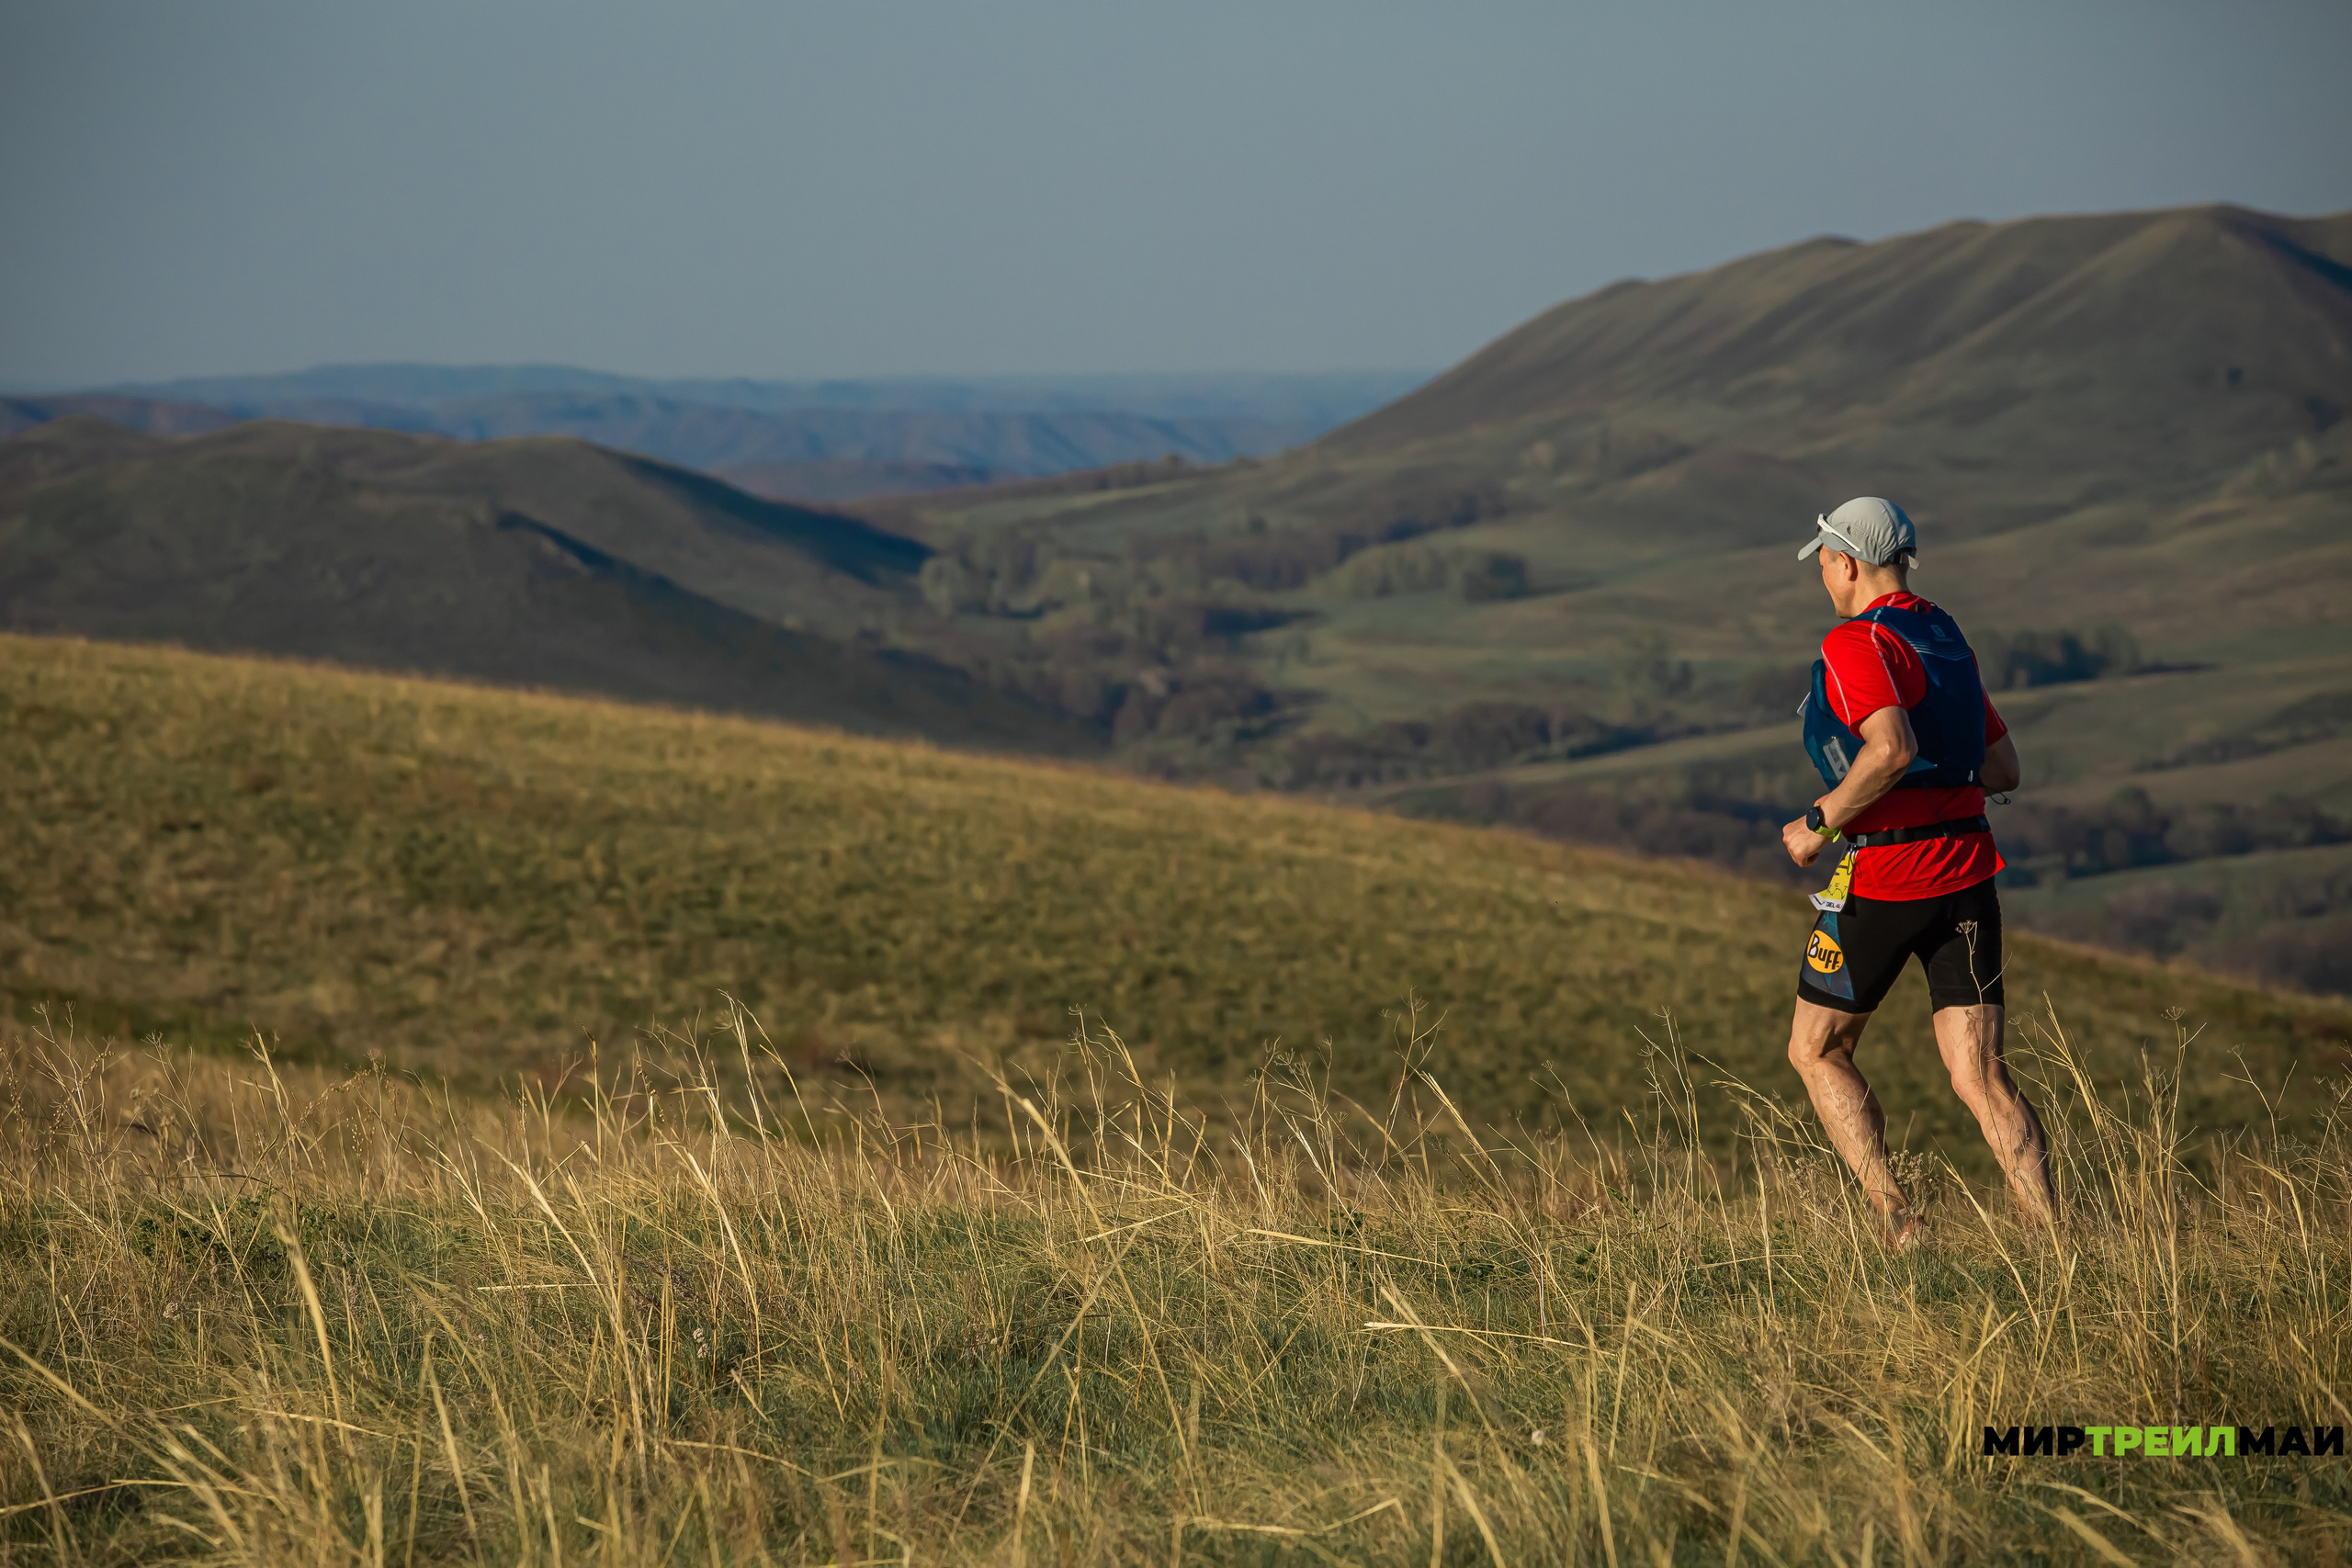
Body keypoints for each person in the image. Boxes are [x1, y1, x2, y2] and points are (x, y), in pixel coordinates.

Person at [1780, 497, 2054, 1245]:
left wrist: (1817, 824)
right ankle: (2053, 1241)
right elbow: (2004, 765)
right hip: (1969, 871)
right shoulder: (1945, 637)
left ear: (1846, 562)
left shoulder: (1855, 643)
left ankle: (1902, 1223)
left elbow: (1890, 749)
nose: (1825, 577)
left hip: (1887, 877)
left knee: (1818, 1048)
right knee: (1981, 1074)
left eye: (1826, 563)